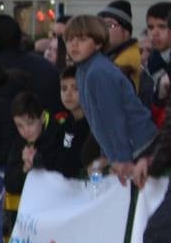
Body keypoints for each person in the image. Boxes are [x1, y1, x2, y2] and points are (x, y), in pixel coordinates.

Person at [66, 15, 159, 187]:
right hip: (128, 148)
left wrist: (122, 158)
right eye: (70, 39)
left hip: (140, 145)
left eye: (82, 39)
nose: (74, 44)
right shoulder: (83, 71)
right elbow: (98, 122)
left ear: (98, 43)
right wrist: (107, 156)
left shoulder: (98, 72)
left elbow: (114, 118)